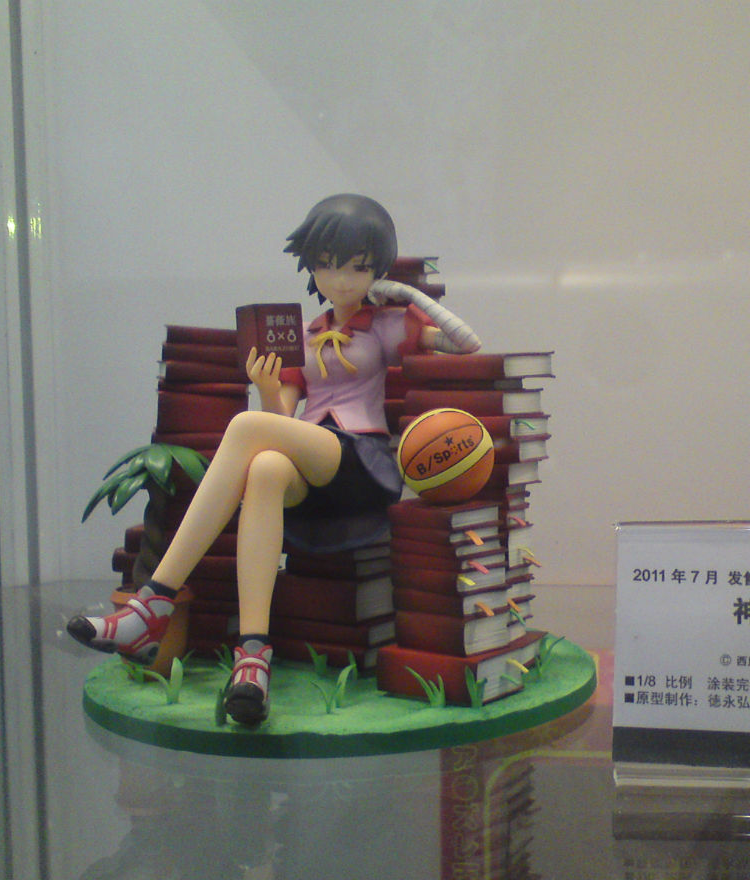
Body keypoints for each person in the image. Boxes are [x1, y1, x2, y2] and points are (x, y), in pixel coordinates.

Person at [67, 194, 480, 725]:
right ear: (311, 266)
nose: (342, 280)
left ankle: (152, 605)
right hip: (311, 462)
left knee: (244, 428)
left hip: (362, 461)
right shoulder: (301, 337)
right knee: (263, 468)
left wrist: (402, 291)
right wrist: (266, 386)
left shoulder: (385, 324)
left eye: (359, 267)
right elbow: (280, 420)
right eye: (328, 265)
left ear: (376, 268)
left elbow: (466, 343)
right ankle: (253, 658)